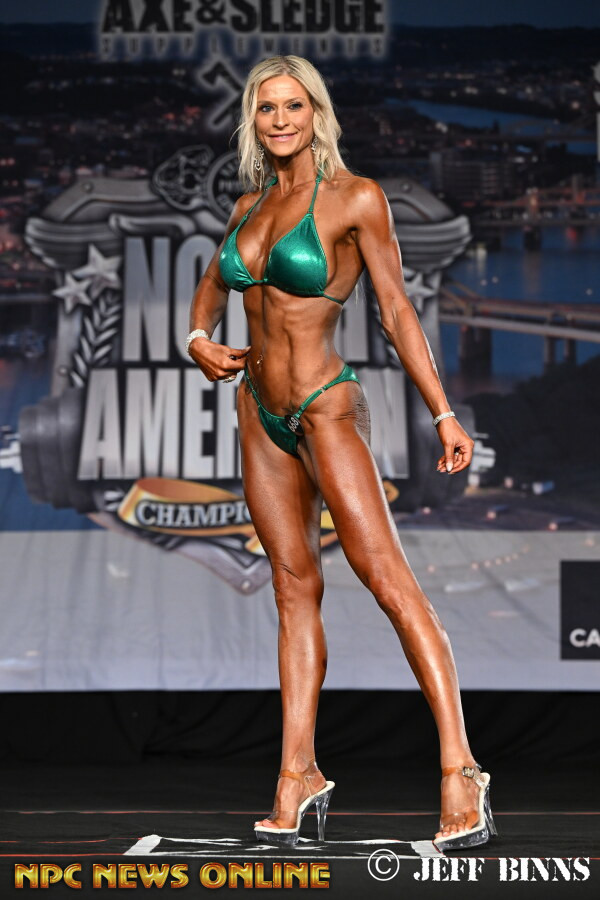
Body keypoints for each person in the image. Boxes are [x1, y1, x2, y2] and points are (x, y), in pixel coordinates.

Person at [187, 54, 497, 852]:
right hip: (260, 412)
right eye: (267, 108)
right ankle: (298, 774)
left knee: (390, 583)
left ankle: (461, 770)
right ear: (253, 120)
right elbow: (214, 288)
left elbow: (396, 311)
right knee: (293, 590)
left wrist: (443, 413)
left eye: (294, 106)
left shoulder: (356, 198)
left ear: (316, 114)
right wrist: (197, 338)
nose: (280, 119)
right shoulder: (250, 205)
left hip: (325, 404)